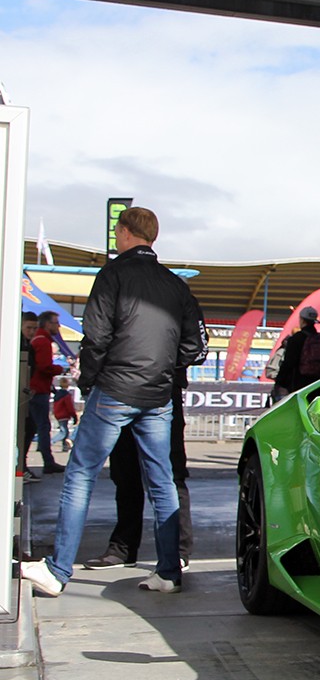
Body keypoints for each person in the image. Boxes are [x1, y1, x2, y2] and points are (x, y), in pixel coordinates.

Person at [18, 206, 205, 597]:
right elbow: (194, 345)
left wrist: (90, 381)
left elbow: (96, 334)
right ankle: (169, 571)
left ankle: (57, 570)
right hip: (158, 395)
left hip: (115, 388)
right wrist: (164, 370)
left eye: (117, 231)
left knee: (81, 474)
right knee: (162, 480)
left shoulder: (113, 274)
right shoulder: (176, 285)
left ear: (124, 232)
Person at [83, 371, 195, 570]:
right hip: (120, 388)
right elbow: (96, 345)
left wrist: (166, 367)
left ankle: (177, 551)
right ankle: (123, 547)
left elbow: (194, 346)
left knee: (170, 476)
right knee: (124, 474)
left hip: (162, 391)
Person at [27, 309, 65, 473]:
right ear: (48, 324)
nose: (59, 326)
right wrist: (59, 369)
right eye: (56, 323)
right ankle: (47, 462)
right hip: (38, 389)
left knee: (35, 426)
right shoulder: (43, 341)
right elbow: (44, 367)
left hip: (36, 388)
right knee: (42, 426)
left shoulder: (38, 339)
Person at [272, 307, 320, 400]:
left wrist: (279, 383)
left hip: (300, 385)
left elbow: (288, 364)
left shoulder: (296, 339)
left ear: (302, 320)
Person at [17, 311, 37, 480]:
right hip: (18, 393)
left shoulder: (28, 346)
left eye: (34, 328)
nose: (32, 332)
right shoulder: (19, 345)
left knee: (29, 428)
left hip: (24, 391)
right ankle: (20, 467)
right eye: (29, 328)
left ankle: (21, 466)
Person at [51, 376, 77, 451]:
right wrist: (74, 415)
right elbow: (70, 406)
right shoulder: (66, 395)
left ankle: (65, 447)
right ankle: (52, 441)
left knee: (65, 430)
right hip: (64, 414)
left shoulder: (57, 394)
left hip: (58, 414)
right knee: (64, 432)